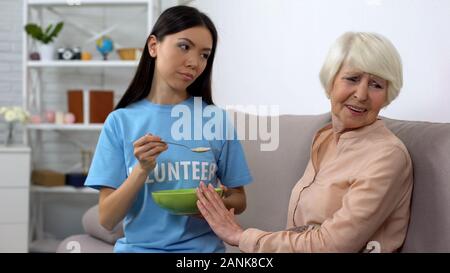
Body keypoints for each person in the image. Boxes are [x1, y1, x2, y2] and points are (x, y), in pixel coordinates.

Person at [196, 32, 413, 253]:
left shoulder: (387, 156)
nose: (362, 94)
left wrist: (241, 237)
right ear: (331, 82)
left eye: (376, 84)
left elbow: (332, 245)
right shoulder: (326, 139)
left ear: (387, 95)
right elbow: (302, 232)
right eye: (352, 78)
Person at [85, 6, 253, 253]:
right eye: (184, 46)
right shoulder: (120, 122)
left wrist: (213, 202)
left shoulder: (215, 120)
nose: (195, 63)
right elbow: (107, 220)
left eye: (205, 55)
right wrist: (141, 170)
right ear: (154, 46)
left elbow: (239, 200)